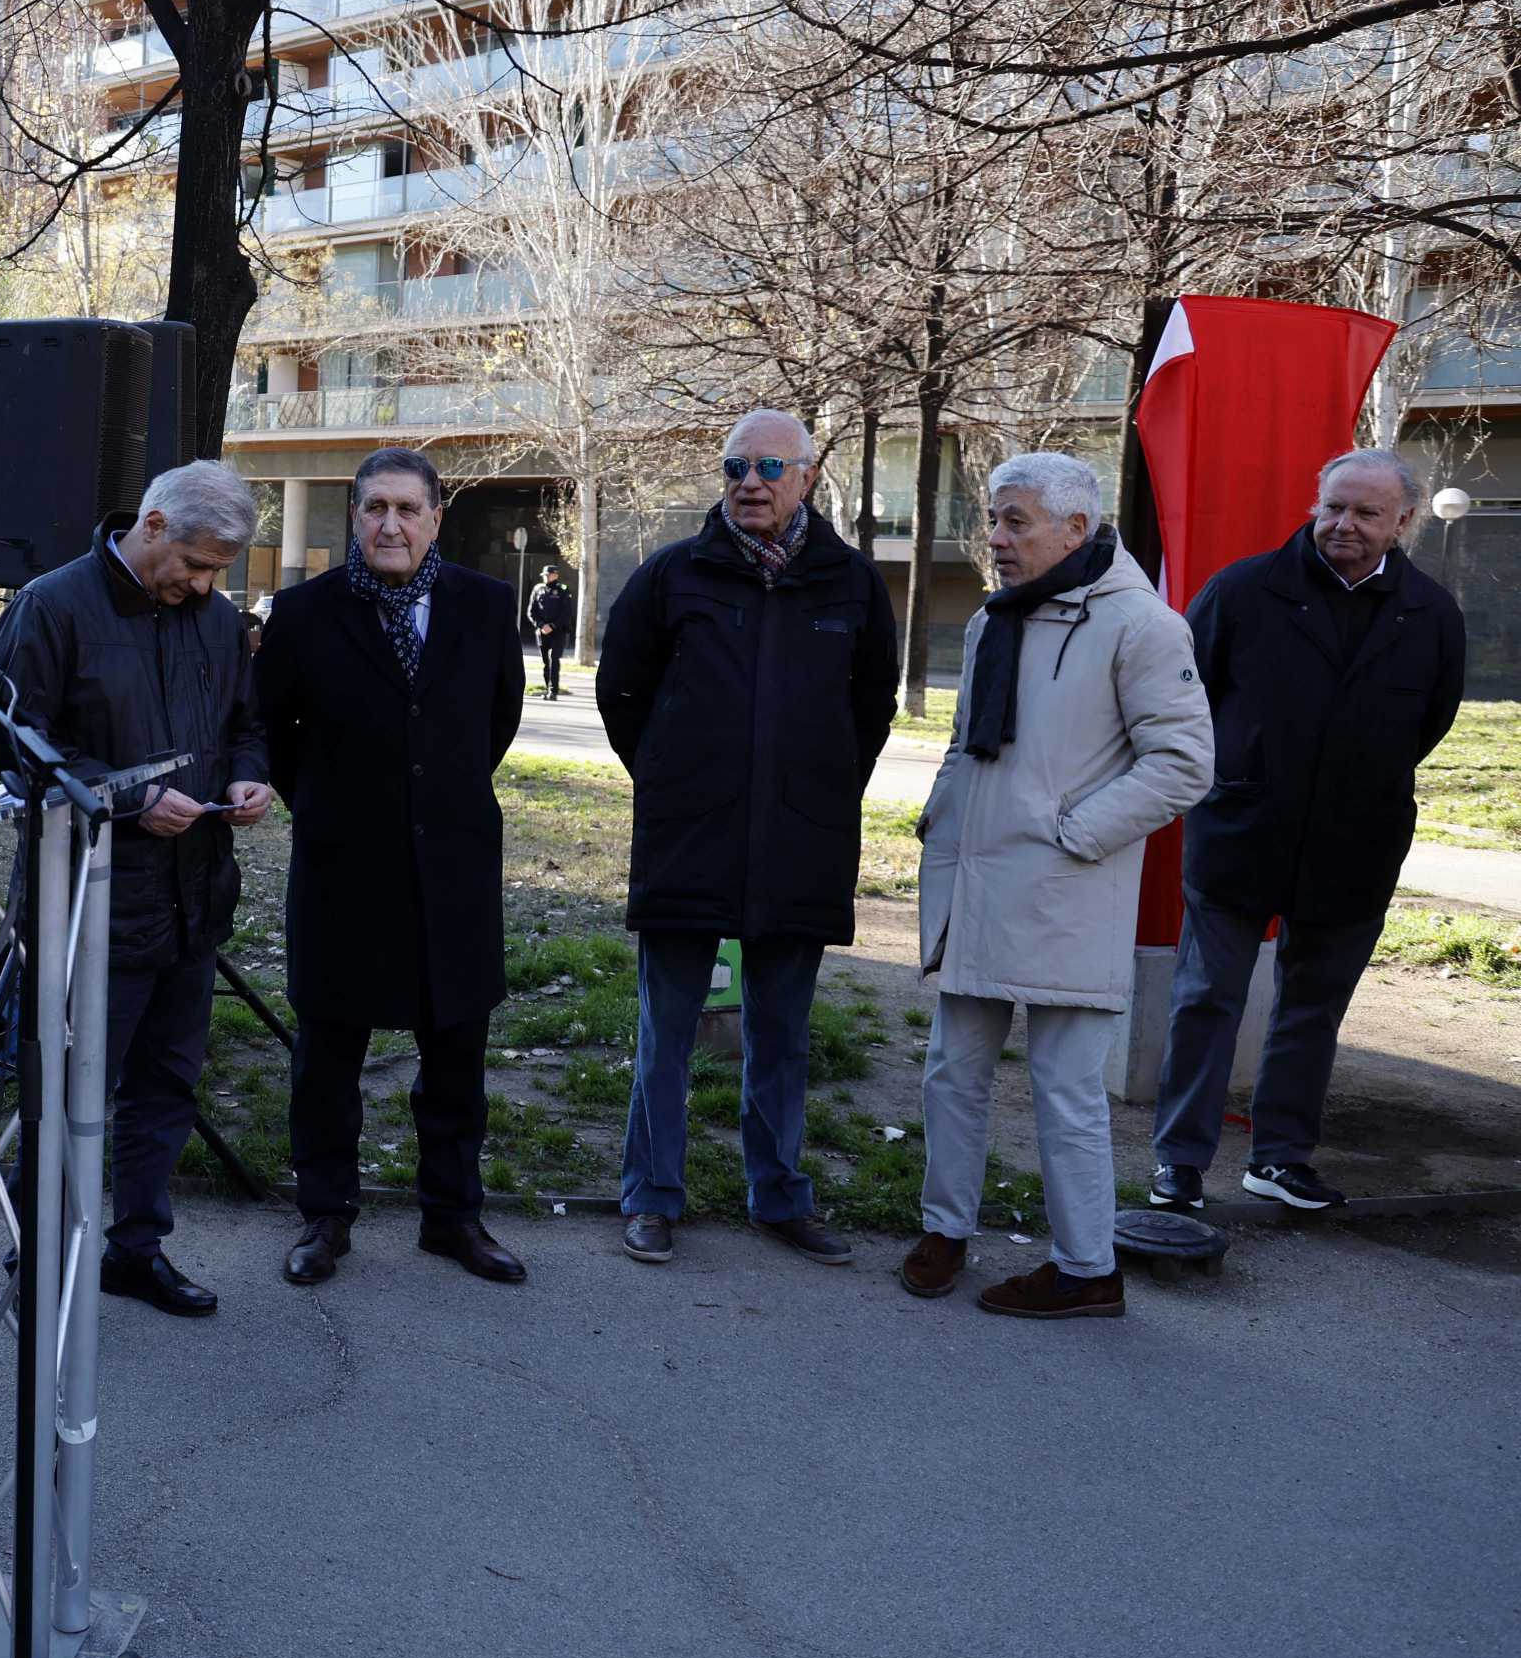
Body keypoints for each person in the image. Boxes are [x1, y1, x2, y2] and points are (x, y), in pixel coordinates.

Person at [907, 453, 1213, 1318]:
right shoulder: (992, 619)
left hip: (1066, 892)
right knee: (951, 1073)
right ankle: (943, 1229)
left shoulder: (1141, 625)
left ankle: (1086, 1269)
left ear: (1077, 529)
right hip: (977, 884)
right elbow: (967, 744)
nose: (998, 538)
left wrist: (1075, 834)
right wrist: (942, 815)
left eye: (1017, 521)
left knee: (1067, 1092)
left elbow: (1184, 762)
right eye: (994, 520)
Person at [597, 410, 899, 1269]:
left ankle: (779, 1197)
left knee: (781, 1033)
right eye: (736, 467)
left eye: (769, 467)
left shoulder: (851, 582)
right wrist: (670, 777)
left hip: (801, 841)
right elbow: (622, 691)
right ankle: (651, 1196)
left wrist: (820, 788)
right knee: (667, 1030)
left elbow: (871, 707)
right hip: (688, 837)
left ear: (807, 476)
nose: (751, 483)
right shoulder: (673, 574)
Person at [0, 459, 273, 1318]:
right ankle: (39, 1255)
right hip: (89, 904)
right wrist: (128, 799)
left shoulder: (215, 621)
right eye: (194, 563)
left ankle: (136, 1249)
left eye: (218, 570)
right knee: (70, 1093)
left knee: (166, 1088)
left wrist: (250, 775)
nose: (204, 584)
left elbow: (246, 725)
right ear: (151, 526)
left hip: (193, 901)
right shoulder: (52, 606)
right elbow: (13, 744)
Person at [1150, 450, 1465, 1213]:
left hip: (1356, 843)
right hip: (1241, 833)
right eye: (1332, 507)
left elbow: (1430, 723)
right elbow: (1186, 701)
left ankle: (1280, 1159)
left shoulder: (1431, 614)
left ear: (1403, 521)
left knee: (1313, 1007)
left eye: (1365, 513)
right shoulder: (1243, 590)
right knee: (1207, 998)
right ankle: (1179, 1163)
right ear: (1315, 505)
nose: (1342, 524)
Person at [256, 448, 532, 1289]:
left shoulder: (486, 605)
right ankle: (325, 1215)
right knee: (328, 1055)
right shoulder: (303, 613)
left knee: (455, 1053)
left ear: (436, 518)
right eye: (375, 508)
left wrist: (437, 798)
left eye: (408, 509)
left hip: (454, 863)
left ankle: (453, 1216)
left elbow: (498, 719)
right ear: (354, 516)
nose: (390, 525)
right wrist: (331, 805)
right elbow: (272, 732)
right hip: (343, 864)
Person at [528, 564, 574, 700]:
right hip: (542, 631)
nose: (546, 577)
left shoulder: (563, 590)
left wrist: (552, 626)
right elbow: (531, 611)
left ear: (555, 575)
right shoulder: (538, 589)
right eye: (545, 575)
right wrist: (541, 625)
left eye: (548, 575)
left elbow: (566, 613)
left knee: (554, 659)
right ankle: (547, 688)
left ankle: (553, 691)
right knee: (545, 662)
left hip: (557, 631)